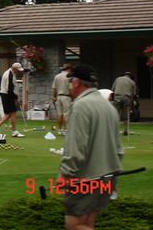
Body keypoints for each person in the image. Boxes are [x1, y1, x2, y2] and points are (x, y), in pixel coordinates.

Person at [59, 64, 123, 230]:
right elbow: (118, 149)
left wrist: (65, 174)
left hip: (85, 178)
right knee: (88, 223)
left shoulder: (80, 106)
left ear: (76, 82)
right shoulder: (109, 107)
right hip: (107, 176)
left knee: (74, 225)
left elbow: (76, 148)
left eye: (70, 81)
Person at [0, 63, 25, 138]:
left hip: (5, 95)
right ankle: (14, 132)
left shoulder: (10, 72)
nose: (19, 71)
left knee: (8, 114)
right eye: (18, 70)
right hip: (7, 95)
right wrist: (16, 98)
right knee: (13, 113)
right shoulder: (9, 75)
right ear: (14, 68)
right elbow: (9, 90)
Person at [53, 63, 74, 133]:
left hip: (58, 96)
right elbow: (71, 89)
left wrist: (54, 97)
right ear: (69, 69)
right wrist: (73, 97)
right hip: (66, 97)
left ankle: (60, 129)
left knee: (59, 114)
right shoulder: (69, 77)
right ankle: (66, 129)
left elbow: (54, 88)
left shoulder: (57, 76)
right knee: (66, 114)